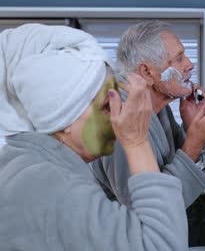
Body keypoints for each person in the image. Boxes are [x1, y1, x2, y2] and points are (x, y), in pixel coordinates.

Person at [0, 23, 188, 250]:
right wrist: (137, 142)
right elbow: (163, 246)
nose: (117, 119)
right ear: (64, 117)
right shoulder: (50, 185)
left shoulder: (30, 166)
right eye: (107, 106)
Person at [90, 20, 205, 208]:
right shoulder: (119, 119)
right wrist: (195, 141)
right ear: (147, 72)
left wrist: (191, 127)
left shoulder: (157, 108)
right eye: (178, 58)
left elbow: (177, 163)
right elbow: (149, 211)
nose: (190, 64)